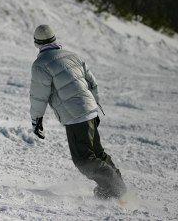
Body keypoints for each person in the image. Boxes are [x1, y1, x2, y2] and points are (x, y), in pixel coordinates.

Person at [29, 25, 126, 199]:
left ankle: (114, 186)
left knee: (84, 160)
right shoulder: (73, 56)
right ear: (54, 39)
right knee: (97, 153)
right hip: (90, 110)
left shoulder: (40, 64)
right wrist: (94, 104)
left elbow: (38, 96)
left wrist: (37, 120)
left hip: (75, 116)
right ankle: (114, 188)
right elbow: (92, 82)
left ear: (37, 43)